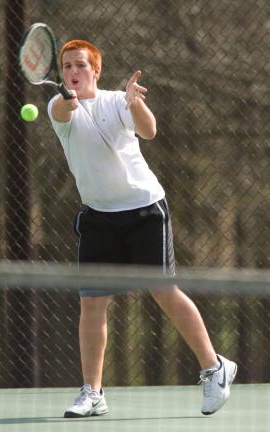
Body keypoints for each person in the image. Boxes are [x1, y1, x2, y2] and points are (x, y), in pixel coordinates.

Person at [47, 39, 237, 418]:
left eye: (81, 65)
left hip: (145, 210)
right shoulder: (57, 107)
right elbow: (66, 109)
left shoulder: (118, 101)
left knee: (163, 291)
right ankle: (93, 392)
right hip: (98, 217)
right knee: (92, 303)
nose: (73, 72)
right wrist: (68, 98)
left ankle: (215, 368)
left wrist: (135, 102)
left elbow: (149, 131)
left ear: (95, 70)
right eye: (67, 65)